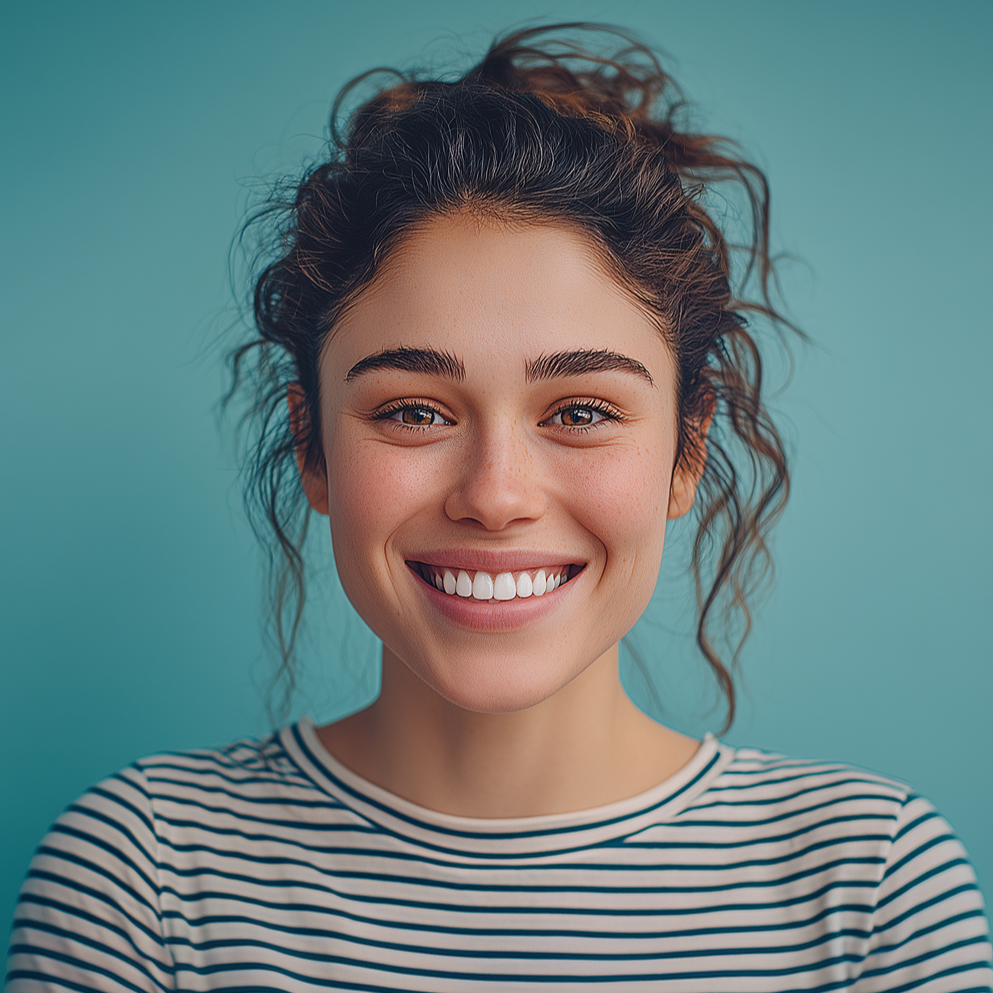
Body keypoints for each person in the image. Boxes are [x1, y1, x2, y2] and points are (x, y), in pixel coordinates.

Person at [6, 23, 991, 993]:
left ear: (687, 450)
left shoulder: (871, 886)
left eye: (580, 411)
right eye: (414, 411)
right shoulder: (145, 879)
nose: (495, 495)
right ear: (312, 446)